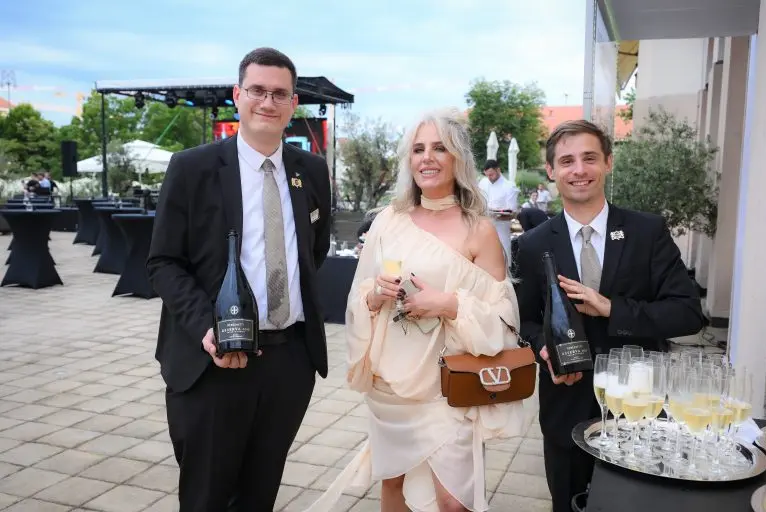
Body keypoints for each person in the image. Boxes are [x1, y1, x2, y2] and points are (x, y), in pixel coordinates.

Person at [306, 108, 528, 512]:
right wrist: (375, 295)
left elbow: (504, 318)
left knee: (453, 503)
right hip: (391, 385)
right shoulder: (388, 221)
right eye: (418, 149)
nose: (427, 157)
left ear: (458, 158)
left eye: (439, 148)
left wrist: (449, 303)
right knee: (394, 486)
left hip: (448, 387)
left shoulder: (479, 229)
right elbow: (359, 296)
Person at [146, 47, 332, 512]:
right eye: (257, 90)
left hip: (289, 363)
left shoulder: (311, 170)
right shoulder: (192, 168)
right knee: (207, 498)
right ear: (237, 95)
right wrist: (206, 327)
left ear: (293, 104)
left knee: (258, 497)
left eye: (280, 93)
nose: (268, 102)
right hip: (214, 362)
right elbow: (163, 262)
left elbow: (314, 251)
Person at [512, 120, 705, 512]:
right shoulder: (532, 245)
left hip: (638, 408)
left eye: (589, 158)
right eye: (567, 161)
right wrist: (545, 350)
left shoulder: (647, 232)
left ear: (608, 163)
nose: (578, 170)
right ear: (551, 171)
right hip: (565, 408)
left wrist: (611, 308)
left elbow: (688, 313)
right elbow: (525, 322)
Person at [478, 159, 519, 266]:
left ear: (498, 170)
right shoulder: (483, 183)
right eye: (487, 175)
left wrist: (496, 215)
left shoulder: (509, 186)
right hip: (483, 228)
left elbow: (512, 213)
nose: (489, 178)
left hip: (501, 230)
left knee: (502, 261)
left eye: (491, 174)